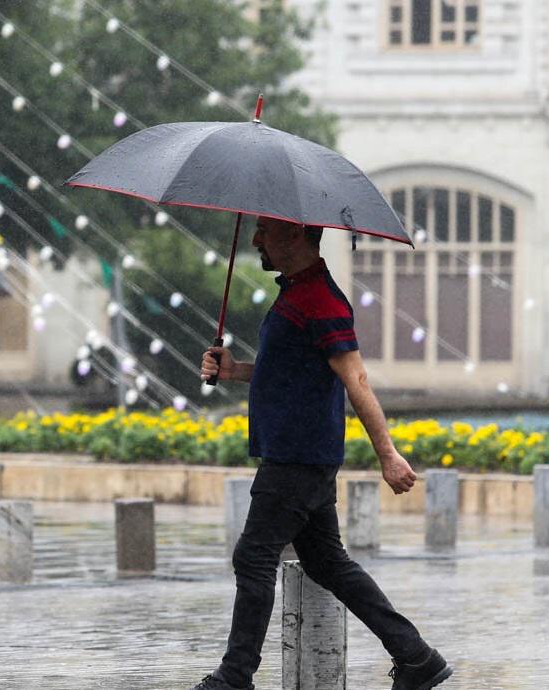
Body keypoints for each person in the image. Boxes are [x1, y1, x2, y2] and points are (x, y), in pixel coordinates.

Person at [194, 217, 452, 690]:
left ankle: (234, 679)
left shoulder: (321, 300)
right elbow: (289, 371)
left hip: (297, 457)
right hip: (301, 453)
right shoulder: (297, 293)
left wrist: (388, 454)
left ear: (294, 235)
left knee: (253, 557)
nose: (255, 240)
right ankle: (416, 657)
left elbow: (355, 378)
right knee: (327, 562)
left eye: (264, 231)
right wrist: (234, 371)